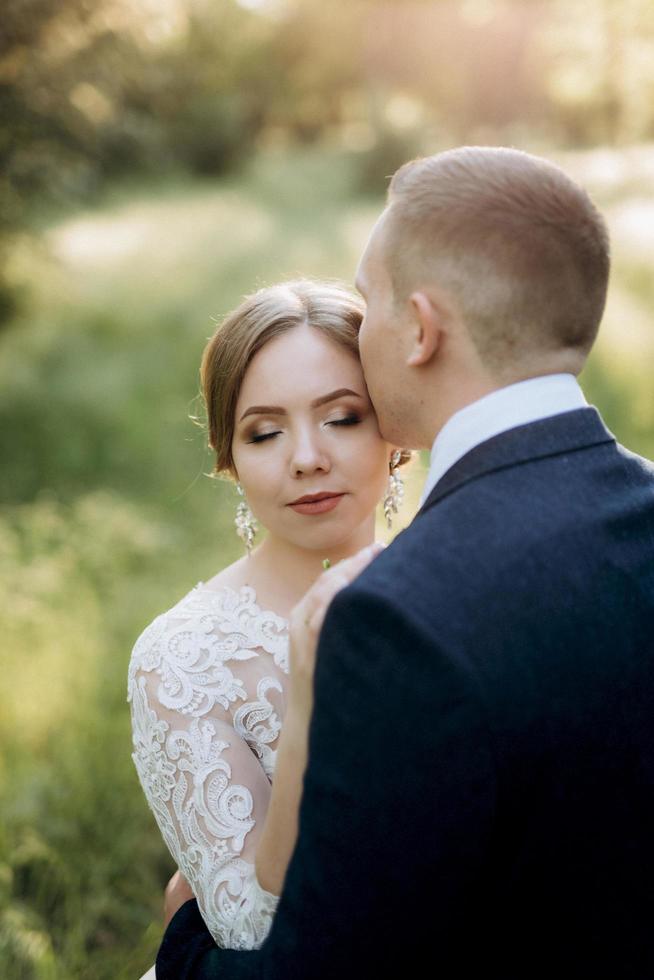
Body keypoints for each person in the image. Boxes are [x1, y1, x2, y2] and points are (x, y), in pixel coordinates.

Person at [152, 145, 654, 979]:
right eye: (265, 429)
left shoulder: (398, 616)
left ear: (418, 329)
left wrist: (184, 945)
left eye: (370, 298)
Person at [127, 280, 409, 977]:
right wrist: (312, 697)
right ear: (229, 456)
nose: (306, 457)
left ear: (396, 432)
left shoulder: (465, 590)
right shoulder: (183, 659)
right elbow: (251, 931)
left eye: (342, 417)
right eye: (265, 431)